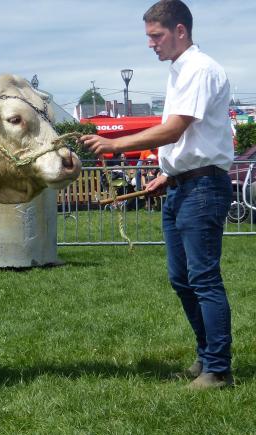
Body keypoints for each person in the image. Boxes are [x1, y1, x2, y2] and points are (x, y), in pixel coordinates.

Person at [81, 0, 235, 389]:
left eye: (156, 36)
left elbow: (174, 130)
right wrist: (167, 175)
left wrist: (115, 144)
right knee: (182, 279)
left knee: (203, 279)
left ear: (180, 30)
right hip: (184, 185)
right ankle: (206, 359)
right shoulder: (182, 71)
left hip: (202, 188)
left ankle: (218, 368)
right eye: (149, 36)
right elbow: (190, 136)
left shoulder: (199, 69)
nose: (151, 44)